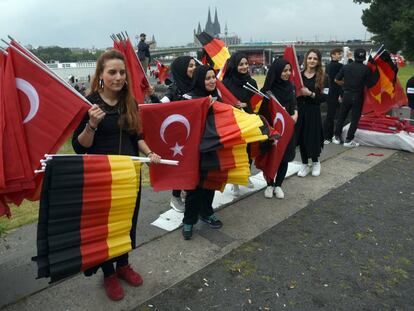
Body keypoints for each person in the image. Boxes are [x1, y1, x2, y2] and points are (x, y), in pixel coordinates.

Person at [72, 49, 161, 301]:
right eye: (112, 72)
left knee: (127, 222)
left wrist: (150, 153)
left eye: (122, 72)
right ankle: (108, 272)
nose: (118, 77)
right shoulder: (89, 103)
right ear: (101, 74)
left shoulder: (129, 102)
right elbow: (80, 146)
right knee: (104, 227)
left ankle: (123, 264)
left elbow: (137, 136)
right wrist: (91, 124)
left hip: (129, 176)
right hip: (102, 178)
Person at [181, 65, 223, 240]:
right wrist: (205, 107)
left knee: (211, 183)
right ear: (199, 80)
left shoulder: (217, 97)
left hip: (214, 147)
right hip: (195, 151)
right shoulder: (188, 98)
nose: (212, 81)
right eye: (207, 78)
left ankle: (206, 213)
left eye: (213, 77)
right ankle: (188, 220)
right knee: (195, 187)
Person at [159, 56, 197, 212]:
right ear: (181, 69)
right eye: (190, 66)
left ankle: (188, 191)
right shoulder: (174, 89)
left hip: (195, 135)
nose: (194, 68)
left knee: (192, 166)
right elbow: (161, 105)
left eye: (195, 65)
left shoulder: (197, 85)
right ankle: (175, 197)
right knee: (179, 167)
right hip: (179, 139)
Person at [261, 58, 298, 198]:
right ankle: (269, 184)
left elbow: (294, 104)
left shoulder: (291, 87)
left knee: (284, 157)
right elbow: (262, 112)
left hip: (287, 129)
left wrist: (295, 113)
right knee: (271, 156)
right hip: (272, 131)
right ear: (277, 71)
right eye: (284, 70)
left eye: (289, 70)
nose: (287, 73)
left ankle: (278, 185)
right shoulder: (267, 90)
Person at [222, 52, 258, 195]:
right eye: (241, 64)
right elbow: (222, 102)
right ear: (234, 65)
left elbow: (256, 104)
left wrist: (246, 105)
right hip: (232, 122)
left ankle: (246, 175)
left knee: (248, 151)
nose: (244, 67)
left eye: (246, 64)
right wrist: (234, 106)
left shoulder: (252, 83)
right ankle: (235, 182)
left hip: (248, 122)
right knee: (236, 152)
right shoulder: (226, 83)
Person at [296, 49, 325, 177]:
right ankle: (304, 163)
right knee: (302, 137)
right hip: (300, 111)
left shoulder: (323, 77)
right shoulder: (299, 76)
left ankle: (315, 162)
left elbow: (324, 98)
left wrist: (310, 94)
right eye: (310, 58)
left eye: (315, 58)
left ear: (318, 61)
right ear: (306, 59)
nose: (312, 61)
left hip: (313, 112)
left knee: (313, 138)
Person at [332, 48, 371, 147]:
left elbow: (336, 80)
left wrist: (345, 84)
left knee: (342, 116)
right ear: (364, 57)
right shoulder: (366, 69)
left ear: (354, 56)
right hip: (358, 95)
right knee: (354, 119)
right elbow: (369, 84)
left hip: (346, 94)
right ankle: (348, 140)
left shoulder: (346, 67)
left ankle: (336, 136)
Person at [323, 48, 343, 144]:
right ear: (333, 55)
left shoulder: (328, 66)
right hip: (336, 93)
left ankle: (327, 136)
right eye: (338, 54)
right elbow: (340, 80)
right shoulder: (339, 66)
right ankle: (329, 136)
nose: (340, 55)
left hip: (329, 92)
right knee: (333, 116)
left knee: (329, 115)